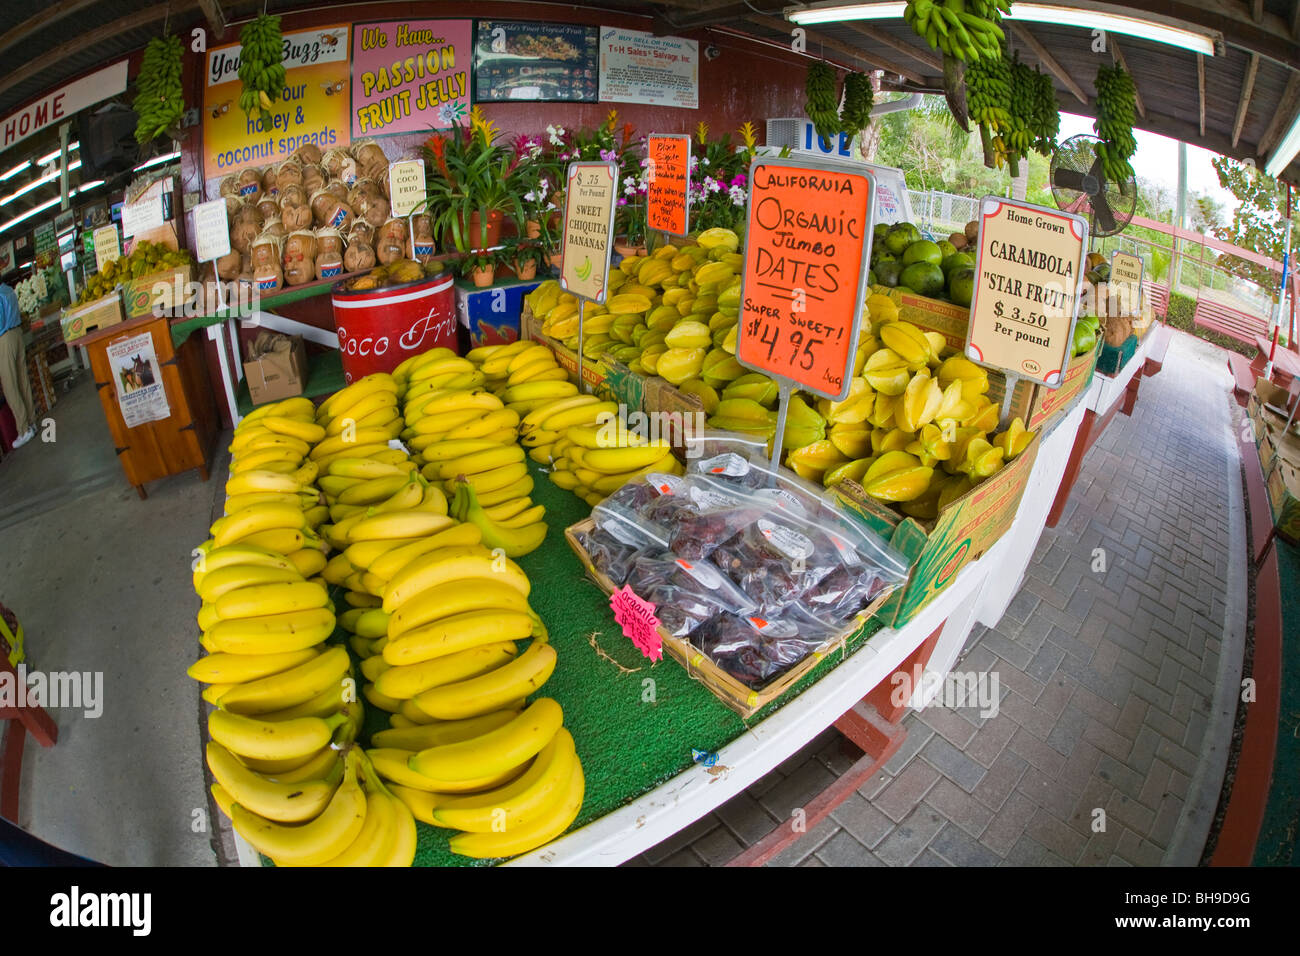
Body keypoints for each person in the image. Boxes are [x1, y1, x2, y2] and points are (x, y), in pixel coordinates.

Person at [0, 282, 37, 449]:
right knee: (23, 380)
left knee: (10, 386)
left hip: (4, 339)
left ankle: (23, 430)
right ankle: (32, 423)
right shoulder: (7, 289)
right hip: (17, 334)